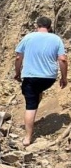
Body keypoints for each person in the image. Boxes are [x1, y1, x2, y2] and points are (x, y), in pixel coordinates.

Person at [14, 16, 67, 146]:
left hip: (31, 77)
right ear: (49, 27)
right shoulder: (56, 39)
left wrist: (17, 73)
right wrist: (64, 78)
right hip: (49, 78)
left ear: (36, 25)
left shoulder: (28, 37)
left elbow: (18, 57)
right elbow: (63, 60)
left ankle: (27, 138)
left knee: (30, 106)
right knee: (38, 91)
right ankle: (35, 108)